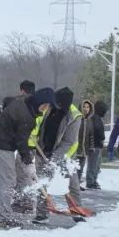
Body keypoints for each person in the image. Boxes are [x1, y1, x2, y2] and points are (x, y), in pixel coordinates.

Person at [0, 87, 54, 227]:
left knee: (0, 182)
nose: (46, 109)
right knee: (8, 181)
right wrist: (26, 157)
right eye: (46, 105)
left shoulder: (25, 103)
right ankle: (3, 217)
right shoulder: (27, 116)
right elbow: (21, 140)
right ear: (40, 102)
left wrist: (25, 156)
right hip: (2, 145)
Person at [33, 87, 84, 224]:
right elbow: (39, 123)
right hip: (43, 150)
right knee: (42, 182)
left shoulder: (74, 116)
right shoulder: (49, 107)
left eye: (60, 105)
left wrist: (55, 159)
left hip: (66, 154)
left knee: (72, 184)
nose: (57, 107)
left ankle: (76, 211)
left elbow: (68, 141)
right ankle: (42, 213)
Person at [82, 100, 107, 190]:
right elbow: (97, 130)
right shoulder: (96, 118)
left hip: (97, 144)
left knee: (96, 164)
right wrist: (102, 138)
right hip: (95, 144)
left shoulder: (96, 118)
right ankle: (91, 181)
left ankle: (92, 180)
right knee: (93, 164)